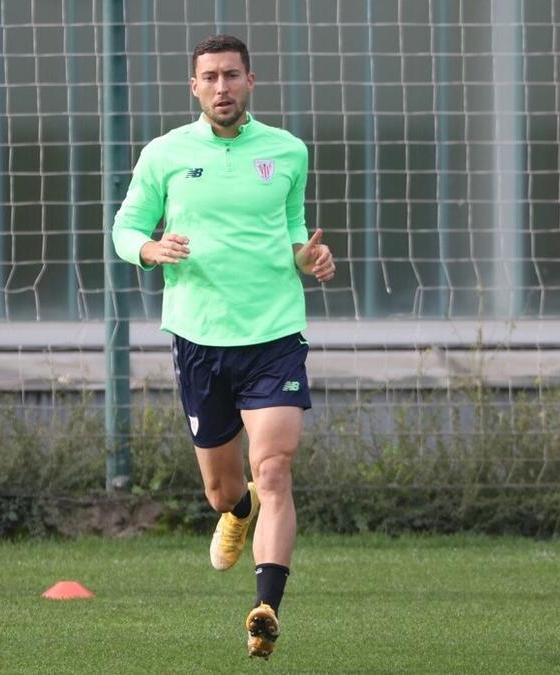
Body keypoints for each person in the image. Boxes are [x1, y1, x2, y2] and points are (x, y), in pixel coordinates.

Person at [112, 35, 335, 658]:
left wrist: (308, 257)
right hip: (200, 339)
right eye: (209, 77)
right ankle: (236, 514)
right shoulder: (164, 154)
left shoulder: (288, 152)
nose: (221, 87)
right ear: (194, 87)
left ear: (250, 81)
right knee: (225, 488)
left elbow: (293, 236)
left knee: (275, 471)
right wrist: (148, 249)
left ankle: (265, 607)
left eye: (231, 76)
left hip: (274, 336)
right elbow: (125, 227)